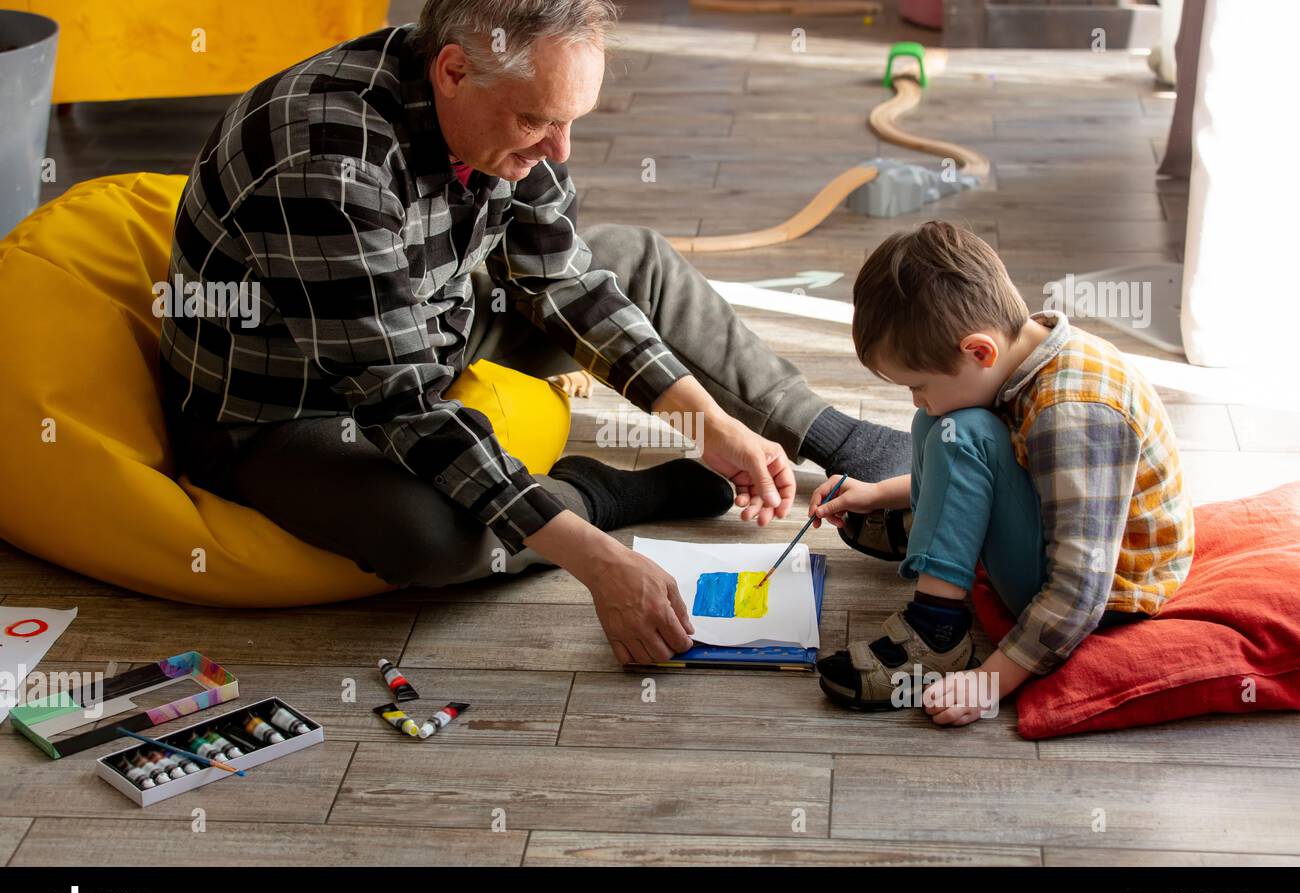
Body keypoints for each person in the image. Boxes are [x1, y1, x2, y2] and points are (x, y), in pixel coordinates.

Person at [159, 1, 910, 664]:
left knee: (635, 262)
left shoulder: (501, 106)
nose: (560, 151)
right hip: (293, 409)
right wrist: (598, 560)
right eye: (538, 122)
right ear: (453, 70)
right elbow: (403, 406)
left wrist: (707, 423)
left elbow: (565, 282)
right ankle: (604, 495)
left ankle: (825, 431)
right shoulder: (325, 170)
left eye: (571, 121)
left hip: (439, 317)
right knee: (431, 535)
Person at [810, 220, 1194, 723]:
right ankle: (934, 531)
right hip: (1061, 542)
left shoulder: (1073, 413)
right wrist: (881, 494)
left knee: (959, 430)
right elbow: (1014, 466)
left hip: (1106, 596)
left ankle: (937, 635)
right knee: (938, 420)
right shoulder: (1029, 351)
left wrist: (991, 679)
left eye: (916, 383)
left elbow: (1080, 587)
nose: (915, 397)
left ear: (979, 351)